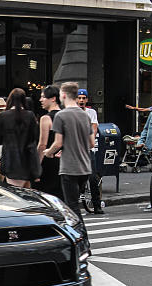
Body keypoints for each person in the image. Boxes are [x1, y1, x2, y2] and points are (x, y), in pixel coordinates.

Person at [44, 81, 95, 222]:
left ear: (64, 95)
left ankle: (80, 235)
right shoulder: (85, 115)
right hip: (85, 167)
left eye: (60, 94)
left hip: (69, 168)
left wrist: (49, 152)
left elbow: (58, 142)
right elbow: (91, 143)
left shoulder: (61, 116)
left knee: (71, 206)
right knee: (75, 203)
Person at [0, 88, 40, 188]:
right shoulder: (30, 116)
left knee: (16, 194)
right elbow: (35, 138)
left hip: (10, 161)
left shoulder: (3, 116)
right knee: (28, 195)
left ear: (10, 100)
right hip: (27, 161)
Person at [34, 85, 64, 200]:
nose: (41, 100)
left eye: (43, 97)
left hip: (49, 162)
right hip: (64, 161)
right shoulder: (65, 115)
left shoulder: (46, 118)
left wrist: (37, 166)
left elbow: (42, 144)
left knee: (46, 198)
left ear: (53, 99)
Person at [77, 88, 103, 214]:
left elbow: (94, 129)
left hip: (88, 149)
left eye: (83, 98)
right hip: (75, 150)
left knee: (93, 178)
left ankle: (97, 205)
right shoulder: (71, 112)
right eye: (79, 98)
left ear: (87, 100)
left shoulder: (91, 112)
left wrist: (89, 142)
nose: (81, 100)